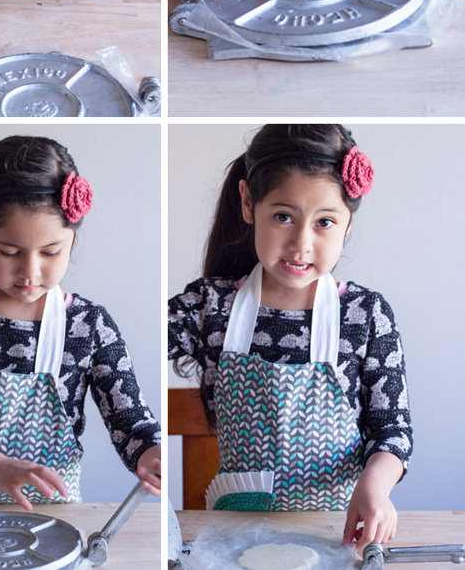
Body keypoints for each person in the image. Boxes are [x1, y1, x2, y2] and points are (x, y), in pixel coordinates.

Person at [168, 124, 412, 553]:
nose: (301, 243)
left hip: (334, 535)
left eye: (325, 222)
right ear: (248, 203)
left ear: (348, 222)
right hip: (233, 541)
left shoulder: (365, 316)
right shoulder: (209, 307)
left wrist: (375, 486)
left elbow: (392, 430)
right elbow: (119, 358)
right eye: (284, 217)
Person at [0, 135, 161, 509]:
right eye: (9, 252)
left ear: (72, 236)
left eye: (51, 252)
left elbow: (131, 422)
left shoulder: (88, 326)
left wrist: (152, 455)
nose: (30, 272)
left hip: (53, 522)